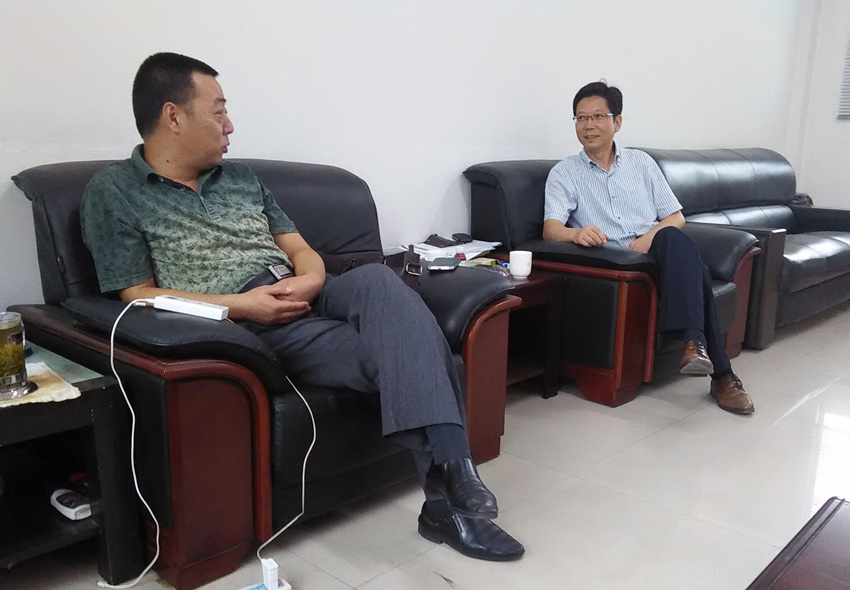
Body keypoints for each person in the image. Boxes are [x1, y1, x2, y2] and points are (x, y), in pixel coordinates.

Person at [80, 52, 524, 561]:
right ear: (173, 116)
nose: (230, 125)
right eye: (219, 111)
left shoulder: (240, 178)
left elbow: (299, 247)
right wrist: (241, 305)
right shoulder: (114, 192)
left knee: (379, 278)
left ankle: (454, 474)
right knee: (408, 350)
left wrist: (311, 279)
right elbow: (136, 294)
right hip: (253, 318)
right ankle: (450, 503)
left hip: (308, 286)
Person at [543, 81, 754, 415]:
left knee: (673, 240)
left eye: (597, 116)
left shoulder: (641, 163)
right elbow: (551, 229)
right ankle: (720, 373)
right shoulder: (564, 173)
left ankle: (698, 348)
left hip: (658, 250)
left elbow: (675, 217)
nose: (588, 125)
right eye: (581, 118)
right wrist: (576, 233)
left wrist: (650, 238)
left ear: (617, 122)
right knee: (696, 269)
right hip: (620, 260)